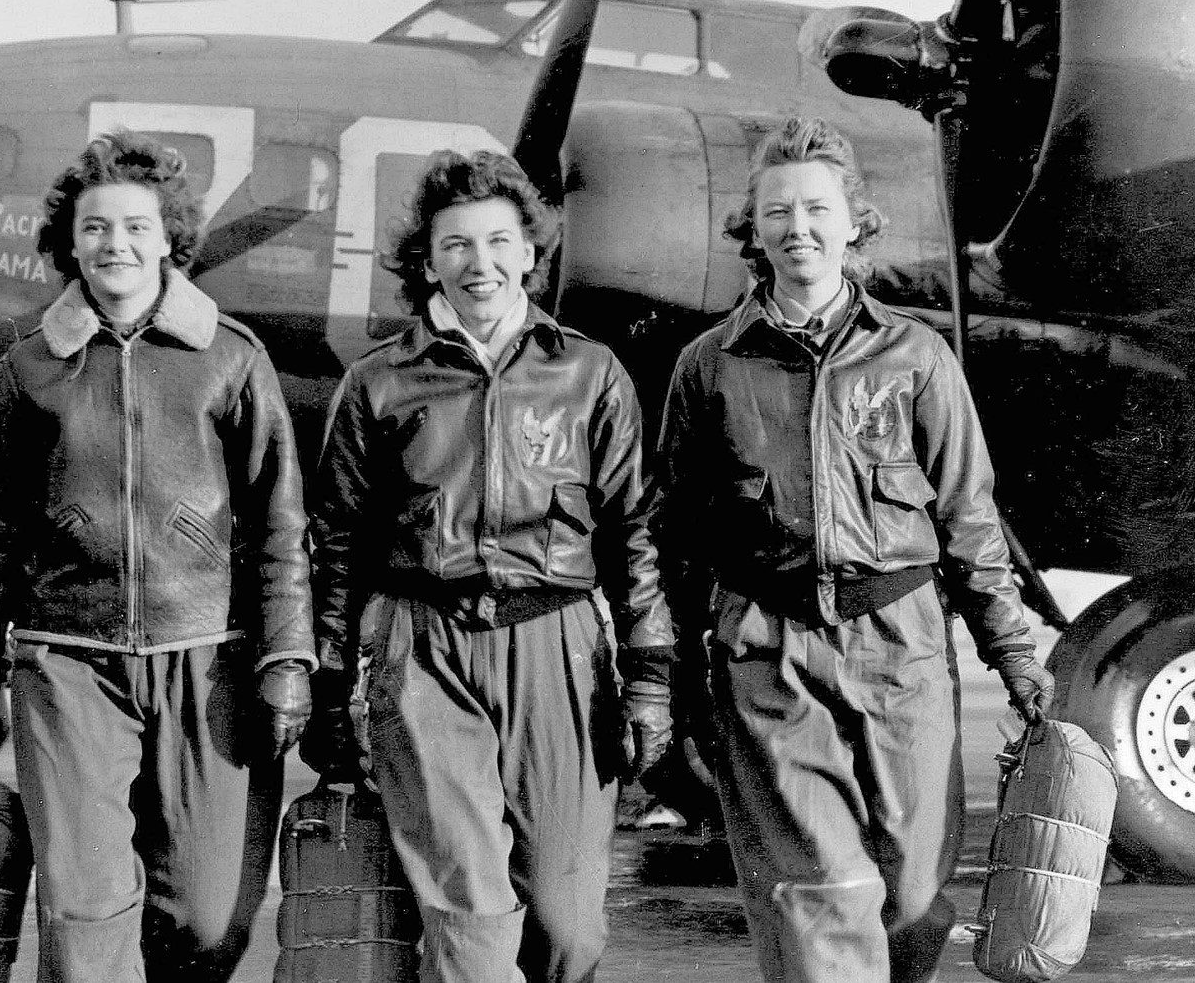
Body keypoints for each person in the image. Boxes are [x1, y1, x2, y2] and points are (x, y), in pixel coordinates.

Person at [654, 116, 1055, 983]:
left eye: (815, 209)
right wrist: (671, 679)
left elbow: (968, 516)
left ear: (853, 223)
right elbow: (675, 537)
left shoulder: (916, 354)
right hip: (769, 647)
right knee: (820, 889)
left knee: (915, 896)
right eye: (776, 214)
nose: (797, 228)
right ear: (752, 234)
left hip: (899, 645)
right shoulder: (709, 366)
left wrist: (1013, 652)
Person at [0, 130, 314, 983]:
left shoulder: (233, 358)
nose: (117, 245)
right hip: (68, 665)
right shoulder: (30, 368)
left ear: (171, 236)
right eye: (96, 228)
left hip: (208, 657)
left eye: (137, 226)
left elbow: (280, 523)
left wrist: (288, 656)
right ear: (69, 241)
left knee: (209, 921)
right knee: (84, 908)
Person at [307, 148, 674, 983]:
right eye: (457, 244)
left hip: (560, 648)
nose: (481, 264)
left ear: (531, 252)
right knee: (470, 916)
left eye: (500, 241)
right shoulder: (378, 383)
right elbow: (334, 546)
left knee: (567, 928)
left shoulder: (590, 373)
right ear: (426, 260)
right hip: (423, 648)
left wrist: (650, 675)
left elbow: (635, 535)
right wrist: (332, 688)